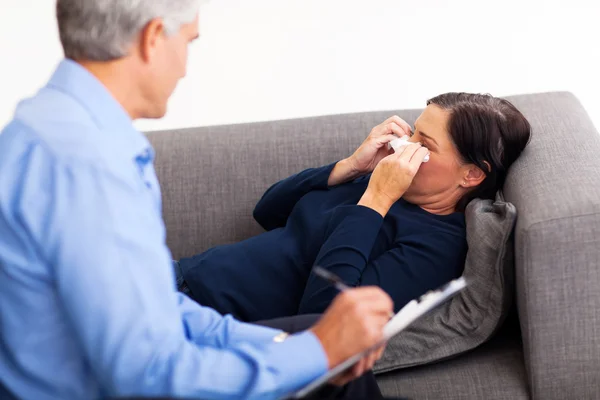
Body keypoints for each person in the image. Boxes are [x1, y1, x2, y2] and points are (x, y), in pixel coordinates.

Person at [0, 1, 400, 399]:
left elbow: (160, 308)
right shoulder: (87, 162)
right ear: (153, 38)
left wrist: (285, 345)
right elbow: (150, 374)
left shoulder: (44, 125)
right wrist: (320, 350)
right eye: (189, 42)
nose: (185, 68)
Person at [175, 93, 532, 322]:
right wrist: (350, 167)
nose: (403, 147)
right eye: (412, 133)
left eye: (424, 144)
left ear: (471, 175)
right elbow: (267, 211)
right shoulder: (384, 180)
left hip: (201, 314)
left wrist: (375, 201)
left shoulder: (437, 245)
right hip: (177, 276)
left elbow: (323, 316)